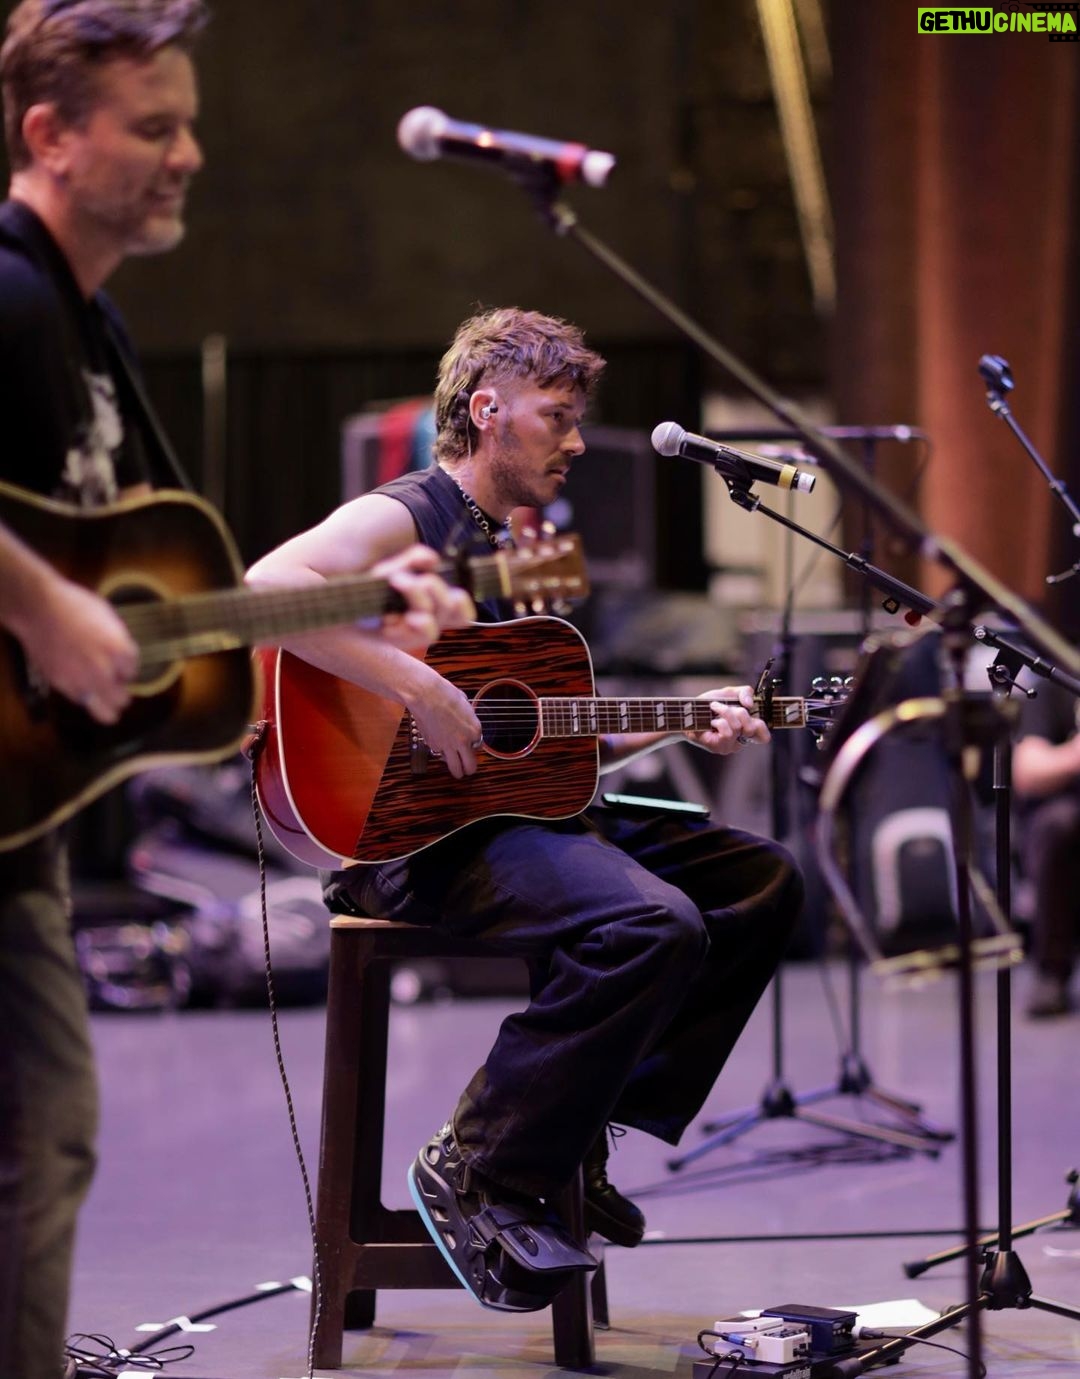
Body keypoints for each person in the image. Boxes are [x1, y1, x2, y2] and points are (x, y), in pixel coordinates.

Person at [0, 6, 471, 1377]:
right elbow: (64, 595)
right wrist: (44, 603)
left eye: (189, 123)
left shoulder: (97, 333)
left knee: (42, 1139)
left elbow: (167, 601)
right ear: (51, 137)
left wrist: (370, 609)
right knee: (40, 1138)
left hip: (20, 823)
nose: (190, 154)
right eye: (155, 127)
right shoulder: (14, 299)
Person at [246, 306, 804, 1312]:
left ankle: (578, 1130)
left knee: (760, 878)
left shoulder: (516, 550)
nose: (579, 441)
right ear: (489, 409)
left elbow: (537, 732)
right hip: (407, 835)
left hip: (508, 818)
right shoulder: (411, 509)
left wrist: (687, 721)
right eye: (558, 416)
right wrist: (416, 686)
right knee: (648, 921)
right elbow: (266, 586)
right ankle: (483, 1161)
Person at [1013, 680, 1080, 1018]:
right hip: (1071, 810)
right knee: (1059, 825)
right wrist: (1074, 754)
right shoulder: (1057, 679)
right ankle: (1051, 972)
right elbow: (1028, 772)